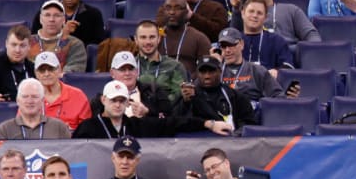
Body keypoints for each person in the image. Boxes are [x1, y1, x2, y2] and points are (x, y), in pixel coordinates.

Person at [71, 75, 231, 139]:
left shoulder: (136, 125)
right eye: (114, 100)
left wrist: (209, 123)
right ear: (103, 100)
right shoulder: (87, 127)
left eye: (122, 100)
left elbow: (173, 122)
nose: (118, 104)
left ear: (128, 102)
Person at [173, 55, 257, 135]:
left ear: (220, 71)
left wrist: (236, 135)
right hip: (197, 143)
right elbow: (175, 122)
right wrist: (185, 103)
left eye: (211, 71)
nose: (207, 76)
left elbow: (248, 124)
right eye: (203, 72)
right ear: (197, 73)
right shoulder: (187, 96)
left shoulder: (235, 96)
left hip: (229, 141)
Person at [25, 0, 105, 46]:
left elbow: (98, 43)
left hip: (80, 56)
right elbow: (35, 40)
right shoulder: (46, 12)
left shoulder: (93, 14)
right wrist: (62, 33)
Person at [217, 27, 287, 103]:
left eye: (231, 45)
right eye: (223, 46)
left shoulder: (257, 71)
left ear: (241, 44)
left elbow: (278, 97)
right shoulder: (215, 71)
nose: (227, 50)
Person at [0, 77, 73, 140]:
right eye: (25, 96)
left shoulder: (59, 127)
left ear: (42, 101)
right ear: (18, 101)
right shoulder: (4, 129)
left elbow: (72, 156)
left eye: (34, 96)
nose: (30, 101)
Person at [154, 0, 213, 79]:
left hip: (188, 85)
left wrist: (189, 81)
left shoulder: (199, 38)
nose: (172, 12)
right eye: (168, 8)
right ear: (163, 11)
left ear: (186, 12)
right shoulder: (154, 37)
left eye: (177, 8)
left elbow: (207, 67)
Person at [33, 50, 92, 131]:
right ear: (36, 74)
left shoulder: (78, 95)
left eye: (51, 69)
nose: (46, 74)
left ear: (59, 70)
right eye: (42, 70)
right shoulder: (29, 97)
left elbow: (87, 130)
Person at [27, 0, 88, 71]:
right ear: (40, 19)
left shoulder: (75, 44)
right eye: (47, 15)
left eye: (57, 15)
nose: (51, 19)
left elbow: (75, 70)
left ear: (63, 20)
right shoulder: (26, 42)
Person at [133, 18, 188, 98]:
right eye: (143, 37)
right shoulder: (128, 67)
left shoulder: (175, 66)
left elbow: (178, 97)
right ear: (136, 40)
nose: (148, 42)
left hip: (165, 109)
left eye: (152, 37)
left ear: (159, 39)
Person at [236, 0, 293, 71]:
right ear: (243, 13)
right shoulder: (233, 40)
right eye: (251, 11)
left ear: (265, 17)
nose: (255, 15)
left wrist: (277, 71)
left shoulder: (277, 40)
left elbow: (288, 66)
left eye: (259, 13)